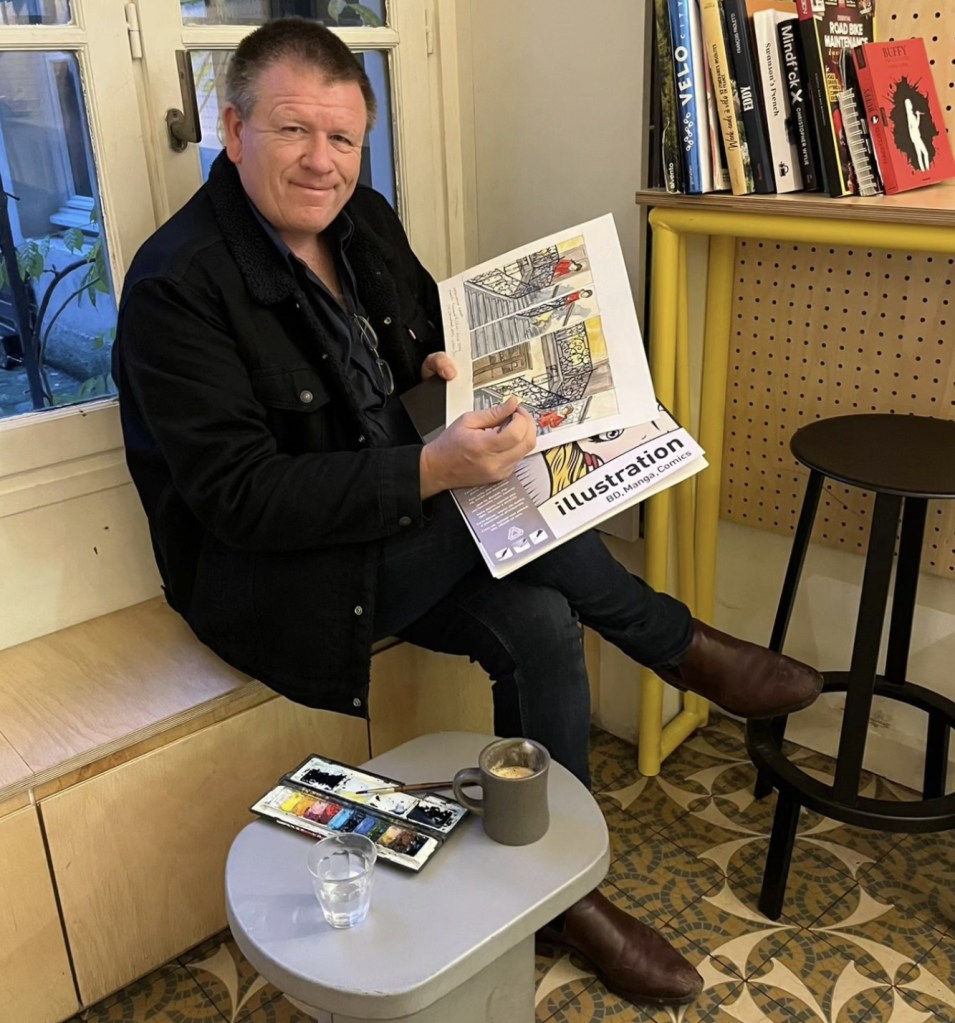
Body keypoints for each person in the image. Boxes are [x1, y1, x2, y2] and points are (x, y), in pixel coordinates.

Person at [113, 18, 822, 1008]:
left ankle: (564, 893)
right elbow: (242, 499)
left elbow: (414, 354)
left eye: (343, 138)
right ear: (232, 130)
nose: (322, 162)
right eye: (292, 131)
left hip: (397, 533)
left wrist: (445, 370)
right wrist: (432, 466)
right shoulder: (176, 287)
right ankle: (675, 645)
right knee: (492, 496)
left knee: (540, 616)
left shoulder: (364, 221)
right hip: (278, 577)